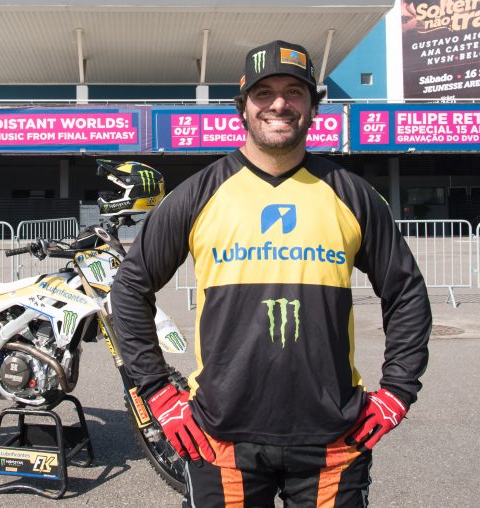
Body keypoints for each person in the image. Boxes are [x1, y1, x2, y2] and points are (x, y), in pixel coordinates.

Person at [112, 40, 431, 507]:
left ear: (313, 106)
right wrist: (158, 392)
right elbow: (129, 289)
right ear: (243, 107)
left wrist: (398, 390)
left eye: (294, 92)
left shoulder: (352, 195)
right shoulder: (198, 193)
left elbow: (405, 293)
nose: (279, 103)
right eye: (264, 92)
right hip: (220, 438)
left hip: (333, 438)